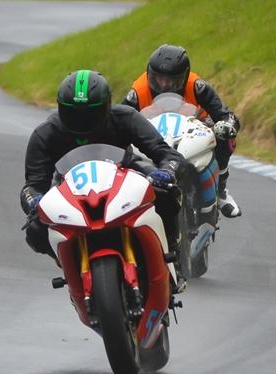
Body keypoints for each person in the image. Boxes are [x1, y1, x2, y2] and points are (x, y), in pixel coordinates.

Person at [20, 70, 188, 291]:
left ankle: (172, 254)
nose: (82, 121)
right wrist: (35, 201)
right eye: (74, 114)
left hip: (125, 174)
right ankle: (70, 269)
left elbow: (168, 154)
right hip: (70, 188)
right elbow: (32, 186)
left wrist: (166, 172)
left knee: (167, 193)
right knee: (35, 229)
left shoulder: (125, 117)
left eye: (90, 114)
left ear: (107, 106)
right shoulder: (46, 134)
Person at [122, 44, 242, 217]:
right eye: (158, 78)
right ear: (149, 74)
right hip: (155, 133)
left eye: (171, 80)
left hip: (196, 128)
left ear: (184, 77)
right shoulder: (138, 91)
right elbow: (119, 118)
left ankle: (221, 190)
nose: (164, 84)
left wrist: (227, 125)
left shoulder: (197, 86)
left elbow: (227, 115)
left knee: (225, 135)